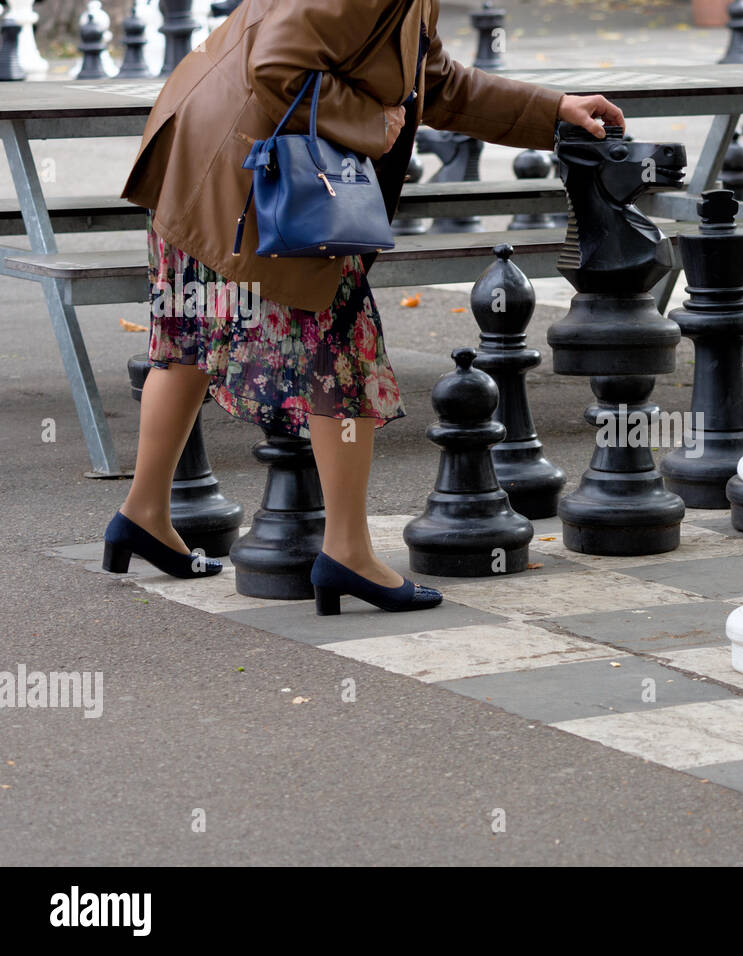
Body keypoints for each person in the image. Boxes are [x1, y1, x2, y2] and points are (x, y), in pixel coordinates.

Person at [104, 0, 623, 614]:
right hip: (254, 170)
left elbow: (431, 82)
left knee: (193, 330)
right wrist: (376, 122)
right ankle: (347, 552)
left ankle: (142, 513)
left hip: (217, 154)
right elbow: (279, 68)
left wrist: (551, 111)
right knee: (341, 351)